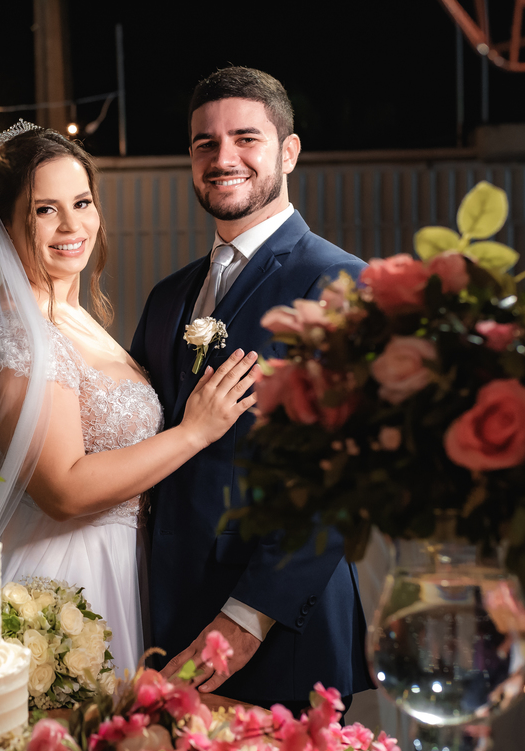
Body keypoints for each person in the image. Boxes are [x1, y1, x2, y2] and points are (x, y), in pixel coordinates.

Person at [0, 122, 259, 674]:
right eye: (44, 210)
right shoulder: (19, 333)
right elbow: (65, 490)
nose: (72, 226)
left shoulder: (73, 318)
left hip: (125, 564)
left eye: (82, 202)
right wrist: (194, 432)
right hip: (67, 578)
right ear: (4, 226)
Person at [130, 66, 373, 714]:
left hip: (278, 632)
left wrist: (245, 620)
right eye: (205, 143)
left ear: (288, 151)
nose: (223, 158)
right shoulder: (167, 297)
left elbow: (341, 481)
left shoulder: (342, 284)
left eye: (246, 138)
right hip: (167, 619)